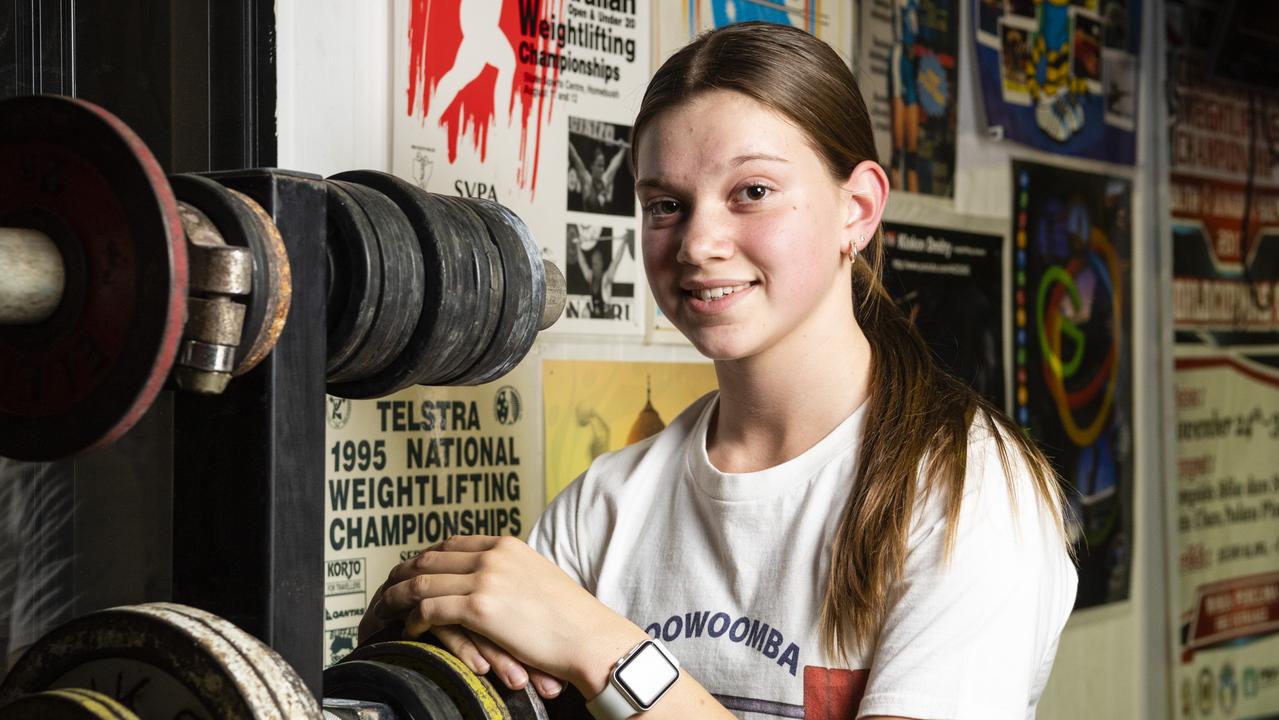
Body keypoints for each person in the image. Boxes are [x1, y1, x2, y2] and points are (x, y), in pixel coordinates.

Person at [361, 22, 1077, 719]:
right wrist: (431, 625)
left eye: (751, 192)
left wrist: (607, 651)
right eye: (666, 205)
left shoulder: (970, 493)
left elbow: (584, 641)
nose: (699, 243)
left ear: (856, 209)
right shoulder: (605, 506)